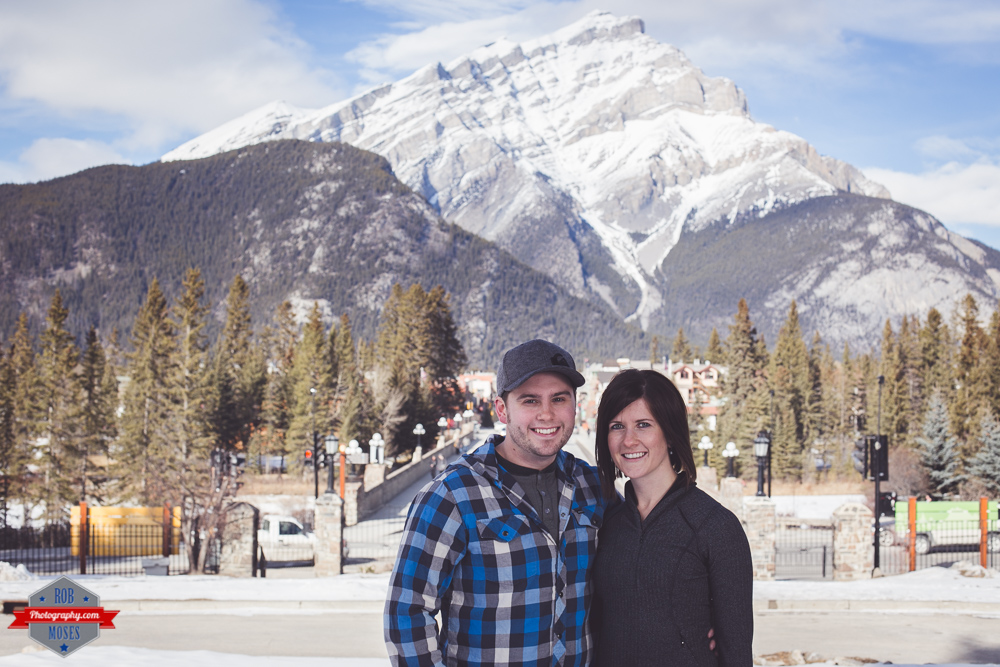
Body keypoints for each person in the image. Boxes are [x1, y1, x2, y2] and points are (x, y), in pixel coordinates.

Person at [384, 339, 604, 666]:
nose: (547, 414)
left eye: (559, 399)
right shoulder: (451, 495)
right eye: (530, 400)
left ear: (575, 404)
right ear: (502, 409)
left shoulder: (593, 485)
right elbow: (407, 612)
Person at [592, 369, 753, 667]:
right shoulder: (605, 523)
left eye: (643, 425)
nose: (629, 440)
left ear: (670, 432)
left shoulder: (715, 527)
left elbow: (737, 652)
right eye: (617, 426)